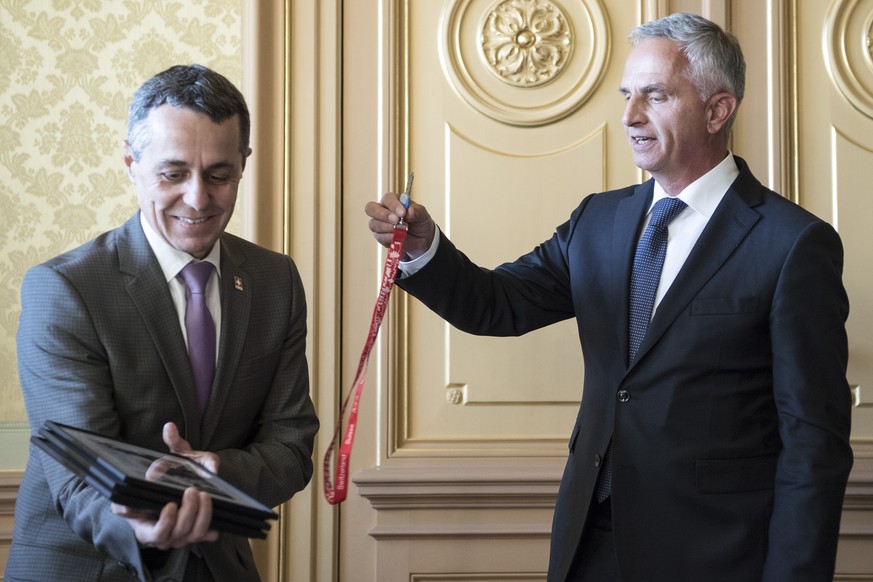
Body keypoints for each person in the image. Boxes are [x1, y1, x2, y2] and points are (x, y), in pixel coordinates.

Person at [365, 12, 852, 582]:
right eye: (627, 95)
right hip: (588, 545)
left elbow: (813, 443)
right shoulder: (599, 220)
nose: (630, 116)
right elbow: (497, 303)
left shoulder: (792, 243)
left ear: (718, 110)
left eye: (655, 96)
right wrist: (425, 250)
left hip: (718, 553)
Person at [8, 64, 319, 581]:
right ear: (131, 163)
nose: (198, 198)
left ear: (244, 164)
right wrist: (141, 528)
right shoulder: (64, 290)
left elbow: (292, 444)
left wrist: (217, 472)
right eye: (173, 174)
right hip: (91, 567)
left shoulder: (274, 280)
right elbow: (75, 481)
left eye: (220, 174)